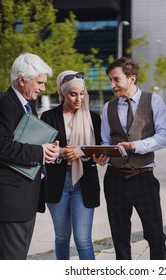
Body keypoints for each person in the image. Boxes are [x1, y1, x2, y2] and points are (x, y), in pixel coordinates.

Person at [0, 53, 60, 260]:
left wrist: (48, 150)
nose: (43, 88)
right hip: (9, 203)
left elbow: (27, 142)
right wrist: (40, 152)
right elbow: (2, 148)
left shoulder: (27, 105)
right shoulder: (3, 105)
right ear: (22, 79)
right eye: (39, 82)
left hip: (24, 200)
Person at [93, 57, 166, 260]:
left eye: (116, 79)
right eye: (110, 80)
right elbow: (105, 141)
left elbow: (165, 136)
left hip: (143, 177)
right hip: (114, 179)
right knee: (119, 238)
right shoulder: (108, 107)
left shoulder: (153, 100)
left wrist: (136, 146)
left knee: (155, 236)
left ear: (132, 78)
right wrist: (103, 155)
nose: (112, 85)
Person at [40, 71, 102, 260]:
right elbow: (40, 150)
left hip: (85, 182)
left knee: (83, 240)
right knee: (61, 237)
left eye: (82, 93)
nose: (79, 98)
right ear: (63, 93)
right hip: (57, 181)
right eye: (73, 94)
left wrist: (82, 152)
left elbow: (100, 149)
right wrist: (60, 152)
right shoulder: (49, 117)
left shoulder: (93, 118)